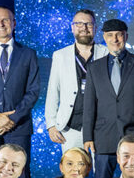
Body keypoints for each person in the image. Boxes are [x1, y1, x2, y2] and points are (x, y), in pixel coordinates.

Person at [83, 19, 134, 178]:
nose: (114, 39)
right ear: (104, 37)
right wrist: (88, 136)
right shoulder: (94, 68)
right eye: (110, 35)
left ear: (126, 36)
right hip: (104, 137)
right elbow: (89, 106)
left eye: (119, 35)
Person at [0, 5, 40, 178]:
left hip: (19, 127)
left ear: (14, 23)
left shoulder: (28, 54)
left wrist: (13, 118)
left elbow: (33, 91)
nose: (0, 24)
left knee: (20, 176)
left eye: (5, 20)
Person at [45, 9, 108, 153]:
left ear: (95, 28)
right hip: (70, 127)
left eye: (88, 24)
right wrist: (51, 124)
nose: (84, 28)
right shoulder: (60, 55)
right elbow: (53, 91)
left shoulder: (106, 53)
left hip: (100, 126)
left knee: (100, 167)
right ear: (72, 27)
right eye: (79, 24)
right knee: (73, 166)